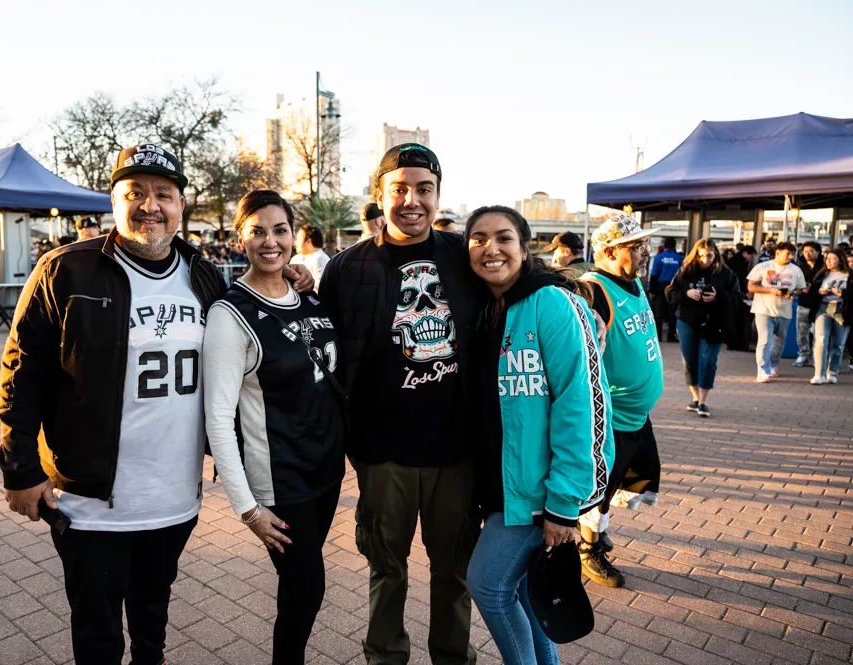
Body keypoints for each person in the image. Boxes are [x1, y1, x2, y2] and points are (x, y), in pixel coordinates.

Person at [0, 144, 312, 665]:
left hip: (174, 498)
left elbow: (256, 315)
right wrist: (19, 468)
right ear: (113, 201)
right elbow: (20, 372)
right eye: (135, 193)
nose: (150, 206)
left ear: (181, 204)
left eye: (163, 194)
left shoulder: (203, 275)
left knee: (152, 619)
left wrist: (294, 278)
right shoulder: (66, 270)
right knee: (98, 632)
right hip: (91, 501)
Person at [318, 143, 481, 665]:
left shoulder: (464, 257)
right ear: (381, 195)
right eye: (400, 189)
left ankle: (453, 656)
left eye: (424, 189)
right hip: (382, 450)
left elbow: (518, 280)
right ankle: (384, 656)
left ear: (438, 195)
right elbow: (323, 348)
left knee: (454, 568)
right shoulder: (346, 268)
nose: (412, 200)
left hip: (456, 450)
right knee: (387, 567)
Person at [463, 205, 613, 665]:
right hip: (506, 487)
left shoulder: (552, 303)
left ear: (525, 246)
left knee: (488, 584)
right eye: (479, 239)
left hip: (540, 493)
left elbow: (581, 404)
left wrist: (564, 504)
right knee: (527, 597)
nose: (491, 249)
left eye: (504, 238)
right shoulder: (490, 307)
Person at [204, 190, 345, 665]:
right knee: (308, 585)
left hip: (325, 470)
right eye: (257, 231)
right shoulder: (229, 315)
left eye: (280, 230)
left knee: (297, 584)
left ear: (293, 234)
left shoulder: (305, 293)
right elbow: (219, 417)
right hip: (280, 479)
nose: (270, 241)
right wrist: (247, 508)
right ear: (240, 238)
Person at [577, 214, 664, 589]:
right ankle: (586, 549)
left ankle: (595, 531)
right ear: (609, 251)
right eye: (636, 246)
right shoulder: (593, 290)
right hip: (610, 418)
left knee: (627, 481)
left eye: (645, 244)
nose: (646, 252)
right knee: (598, 489)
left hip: (636, 414)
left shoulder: (633, 282)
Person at [665, 239, 743, 417]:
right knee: (689, 360)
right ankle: (694, 396)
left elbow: (738, 298)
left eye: (708, 255)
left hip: (714, 323)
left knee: (708, 361)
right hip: (687, 320)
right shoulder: (686, 270)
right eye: (701, 256)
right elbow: (670, 292)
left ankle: (703, 401)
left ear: (715, 254)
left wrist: (718, 297)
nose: (705, 260)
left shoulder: (726, 273)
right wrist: (686, 293)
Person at [747, 241, 806, 382]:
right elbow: (751, 286)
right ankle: (762, 370)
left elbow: (800, 289)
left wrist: (792, 293)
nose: (790, 257)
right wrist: (770, 290)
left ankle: (773, 365)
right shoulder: (763, 266)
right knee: (765, 339)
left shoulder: (796, 270)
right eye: (788, 254)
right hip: (763, 309)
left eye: (792, 254)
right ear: (778, 253)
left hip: (784, 310)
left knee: (779, 342)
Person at [806, 248, 849, 385]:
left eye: (832, 259)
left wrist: (843, 294)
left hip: (842, 310)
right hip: (823, 308)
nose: (828, 261)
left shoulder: (849, 275)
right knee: (821, 339)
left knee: (838, 343)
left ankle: (832, 371)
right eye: (827, 258)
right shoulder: (822, 274)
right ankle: (819, 373)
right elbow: (812, 291)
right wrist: (819, 292)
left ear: (840, 260)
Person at [793, 241, 825, 367]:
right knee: (802, 331)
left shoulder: (824, 267)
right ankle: (803, 354)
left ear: (818, 252)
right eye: (805, 251)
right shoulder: (799, 267)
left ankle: (818, 357)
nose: (808, 254)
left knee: (819, 333)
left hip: (819, 304)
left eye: (811, 251)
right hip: (803, 302)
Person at [649, 236, 683, 342]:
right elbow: (683, 275)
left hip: (661, 286)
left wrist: (652, 291)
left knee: (659, 312)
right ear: (674, 245)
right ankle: (671, 335)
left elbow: (654, 274)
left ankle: (658, 336)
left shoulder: (659, 257)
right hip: (675, 287)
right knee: (672, 312)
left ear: (665, 246)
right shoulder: (680, 258)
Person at [290, 223, 330, 290]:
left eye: (298, 239)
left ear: (308, 241)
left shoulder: (320, 259)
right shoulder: (296, 258)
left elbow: (320, 288)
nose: (295, 243)